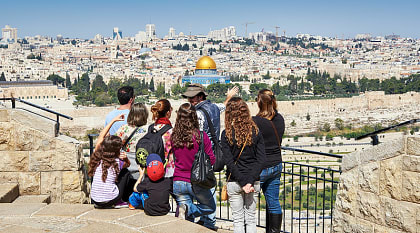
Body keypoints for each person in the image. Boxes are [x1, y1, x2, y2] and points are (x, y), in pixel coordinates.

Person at [182, 83, 238, 230]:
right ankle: (209, 219)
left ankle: (206, 220)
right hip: (212, 153)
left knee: (199, 184)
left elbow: (197, 135)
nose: (190, 100)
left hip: (201, 154)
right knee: (209, 184)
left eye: (192, 97)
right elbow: (223, 106)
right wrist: (229, 97)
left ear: (200, 96)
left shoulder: (198, 113)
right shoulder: (213, 107)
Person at [221, 97, 266, 233]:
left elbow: (228, 161)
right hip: (253, 182)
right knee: (251, 219)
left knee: (238, 219)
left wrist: (242, 182)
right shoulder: (256, 132)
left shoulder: (226, 134)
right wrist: (249, 182)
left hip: (235, 181)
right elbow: (261, 159)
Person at [171, 103, 216, 222]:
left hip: (178, 180)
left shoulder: (174, 137)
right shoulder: (201, 136)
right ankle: (189, 209)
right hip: (196, 181)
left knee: (186, 220)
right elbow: (211, 159)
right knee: (210, 207)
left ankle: (186, 209)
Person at [252, 89, 285, 233]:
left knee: (250, 204)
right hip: (276, 164)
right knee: (274, 203)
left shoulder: (255, 121)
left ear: (259, 102)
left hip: (261, 167)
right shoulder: (280, 119)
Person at [89, 114, 132, 208]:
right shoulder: (118, 162)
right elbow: (128, 165)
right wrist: (125, 158)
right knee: (125, 173)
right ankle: (119, 201)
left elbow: (101, 136)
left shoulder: (97, 157)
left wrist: (113, 120)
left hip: (96, 200)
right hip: (110, 200)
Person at [115, 103, 148, 178]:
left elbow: (114, 143)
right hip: (141, 167)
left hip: (126, 167)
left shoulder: (123, 128)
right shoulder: (148, 130)